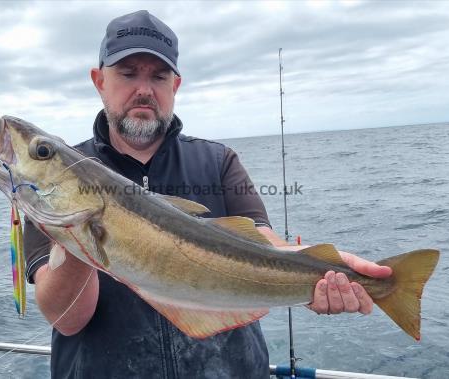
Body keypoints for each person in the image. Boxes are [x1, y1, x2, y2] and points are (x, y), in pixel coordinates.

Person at [23, 10, 392, 378]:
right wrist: (81, 231)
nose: (144, 89)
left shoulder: (219, 161)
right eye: (128, 73)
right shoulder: (54, 182)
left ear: (175, 86)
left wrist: (325, 271)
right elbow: (67, 320)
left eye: (159, 75)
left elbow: (266, 249)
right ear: (99, 80)